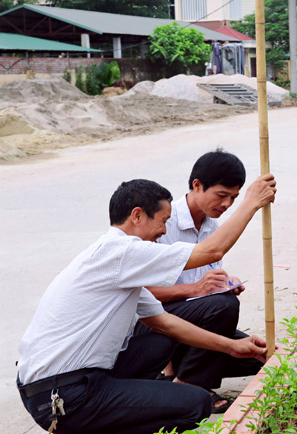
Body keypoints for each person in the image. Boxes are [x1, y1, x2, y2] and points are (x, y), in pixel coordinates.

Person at [16, 175, 276, 434]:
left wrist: (233, 347)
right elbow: (211, 252)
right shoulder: (121, 252)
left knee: (158, 341)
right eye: (163, 221)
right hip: (62, 396)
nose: (164, 231)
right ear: (137, 216)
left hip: (62, 386)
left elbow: (165, 323)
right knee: (195, 404)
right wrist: (251, 203)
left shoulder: (116, 263)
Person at [134, 150, 261, 414]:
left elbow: (208, 277)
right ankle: (188, 387)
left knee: (256, 356)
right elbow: (139, 294)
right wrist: (198, 289)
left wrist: (224, 283)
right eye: (221, 195)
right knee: (223, 306)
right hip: (155, 324)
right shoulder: (163, 223)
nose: (226, 205)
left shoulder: (211, 226)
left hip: (190, 320)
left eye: (234, 198)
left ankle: (177, 374)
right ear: (197, 185)